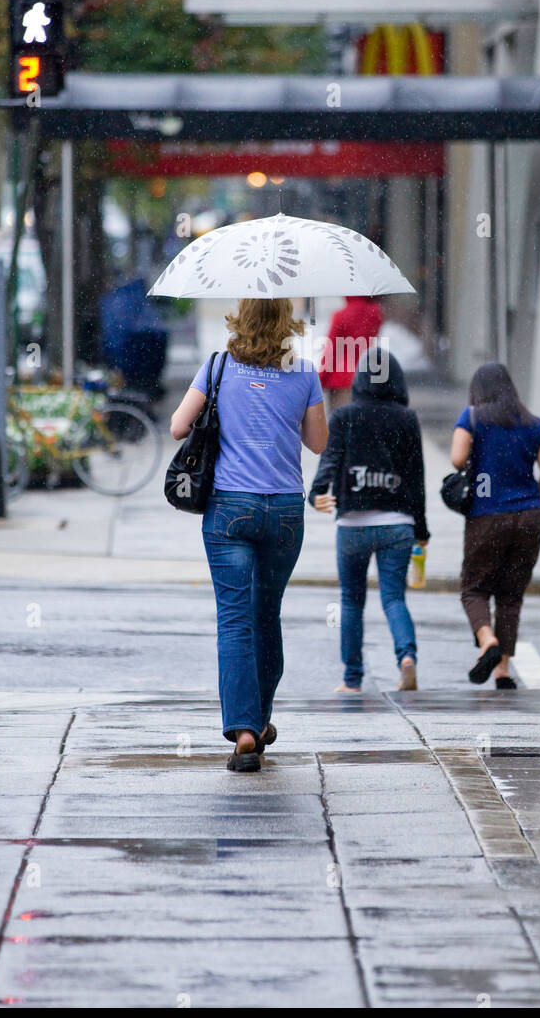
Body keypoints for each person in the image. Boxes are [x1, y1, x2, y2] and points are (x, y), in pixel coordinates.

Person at [170, 298, 328, 772]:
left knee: (235, 620)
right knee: (267, 615)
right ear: (287, 325)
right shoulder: (303, 373)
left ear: (241, 320)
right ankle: (259, 721)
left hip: (228, 509)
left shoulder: (218, 367)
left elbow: (179, 426)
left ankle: (243, 730)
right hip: (282, 510)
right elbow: (318, 443)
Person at [309, 345, 429, 693]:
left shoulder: (344, 416)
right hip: (397, 523)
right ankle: (407, 658)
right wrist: (421, 529)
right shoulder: (407, 419)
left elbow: (329, 460)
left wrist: (317, 492)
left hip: (353, 525)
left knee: (351, 601)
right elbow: (415, 476)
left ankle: (352, 679)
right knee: (394, 599)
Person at [450, 362, 540, 688]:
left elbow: (456, 459)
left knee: (474, 588)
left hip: (487, 514)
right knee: (511, 596)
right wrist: (532, 494)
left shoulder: (472, 417)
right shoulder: (535, 424)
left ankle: (488, 642)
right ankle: (504, 671)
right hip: (530, 516)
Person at [318, 295, 383, 410]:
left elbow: (331, 351)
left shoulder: (340, 316)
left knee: (340, 424)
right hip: (366, 378)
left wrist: (319, 382)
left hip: (341, 381)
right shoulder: (375, 314)